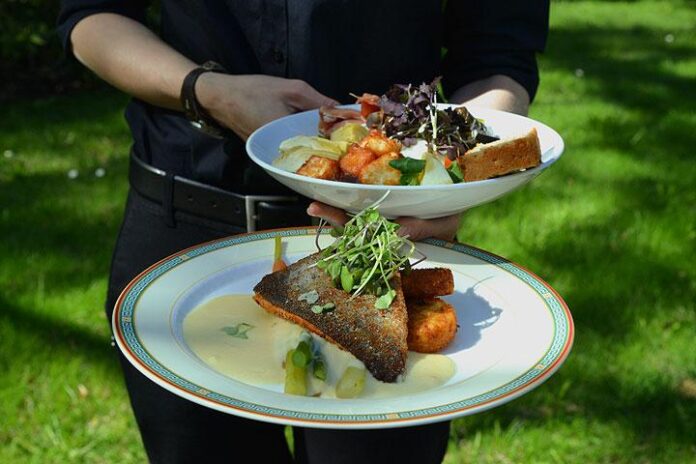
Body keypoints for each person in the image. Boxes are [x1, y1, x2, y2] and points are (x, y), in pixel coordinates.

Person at [57, 1, 549, 462]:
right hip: (183, 237)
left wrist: (448, 180)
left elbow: (498, 54)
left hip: (387, 245)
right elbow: (91, 16)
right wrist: (209, 91)